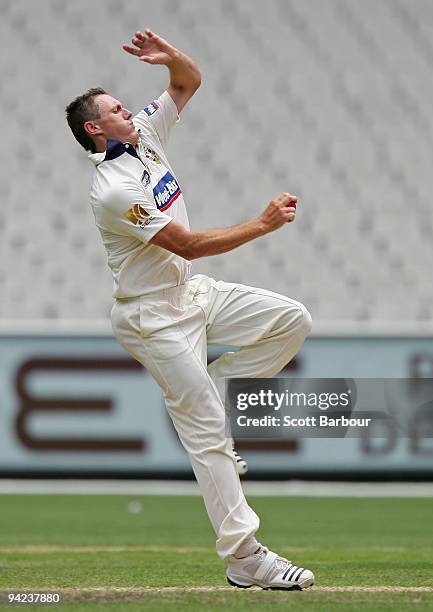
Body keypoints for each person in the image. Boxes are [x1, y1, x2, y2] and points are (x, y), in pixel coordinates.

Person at [66, 28, 314, 590]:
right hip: (152, 317)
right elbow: (188, 244)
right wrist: (263, 223)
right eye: (116, 109)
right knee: (206, 432)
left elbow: (186, 81)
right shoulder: (112, 188)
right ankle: (246, 559)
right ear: (95, 129)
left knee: (292, 320)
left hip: (190, 294)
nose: (129, 109)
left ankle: (215, 384)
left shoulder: (146, 135)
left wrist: (171, 56)